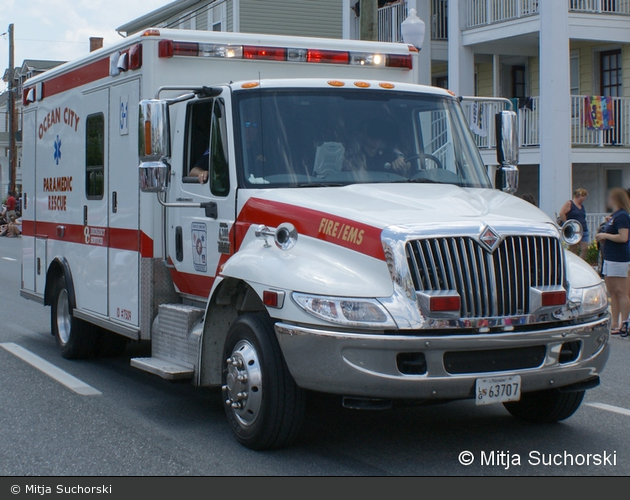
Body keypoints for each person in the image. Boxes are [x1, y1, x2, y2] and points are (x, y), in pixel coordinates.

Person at [595, 188, 630, 335]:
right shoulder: (615, 216)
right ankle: (614, 322)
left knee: (622, 292)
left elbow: (623, 237)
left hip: (619, 259)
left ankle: (624, 322)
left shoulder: (622, 216)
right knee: (613, 293)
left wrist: (605, 235)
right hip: (609, 259)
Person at [344, 122, 409, 174]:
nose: (376, 137)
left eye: (378, 132)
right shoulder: (353, 159)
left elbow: (407, 165)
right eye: (371, 132)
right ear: (362, 135)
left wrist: (402, 164)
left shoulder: (390, 155)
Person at [559, 188, 589, 259]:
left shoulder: (582, 206)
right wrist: (568, 224)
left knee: (585, 248)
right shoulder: (570, 203)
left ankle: (581, 263)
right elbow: (562, 213)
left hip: (583, 229)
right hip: (573, 231)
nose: (584, 199)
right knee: (573, 250)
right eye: (584, 197)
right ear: (580, 195)